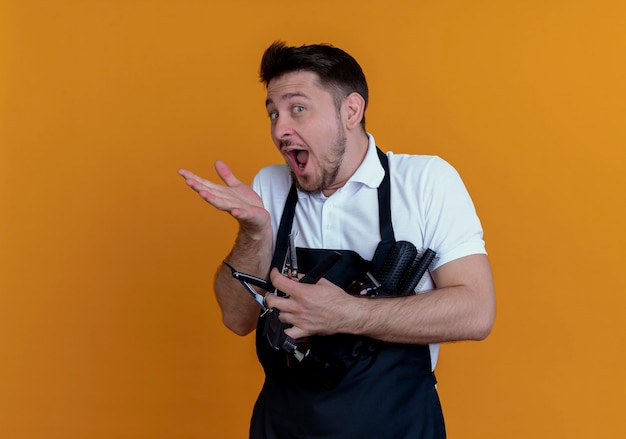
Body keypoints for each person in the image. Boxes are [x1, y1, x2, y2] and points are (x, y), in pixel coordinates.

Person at [179, 41, 495, 439]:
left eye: (298, 109)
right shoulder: (270, 187)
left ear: (351, 110)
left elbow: (476, 311)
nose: (280, 129)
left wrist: (348, 314)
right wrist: (254, 231)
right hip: (284, 426)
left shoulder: (423, 182)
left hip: (399, 426)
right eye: (273, 113)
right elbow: (237, 318)